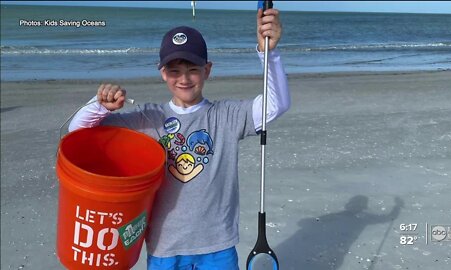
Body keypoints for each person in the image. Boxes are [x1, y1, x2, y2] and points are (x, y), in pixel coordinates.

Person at [69, 7, 290, 270]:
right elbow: (79, 132)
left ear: (207, 70)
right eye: (174, 70)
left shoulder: (227, 115)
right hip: (164, 246)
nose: (184, 79)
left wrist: (269, 52)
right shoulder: (147, 118)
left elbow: (277, 105)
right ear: (162, 72)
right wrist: (99, 105)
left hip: (217, 245)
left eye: (193, 69)